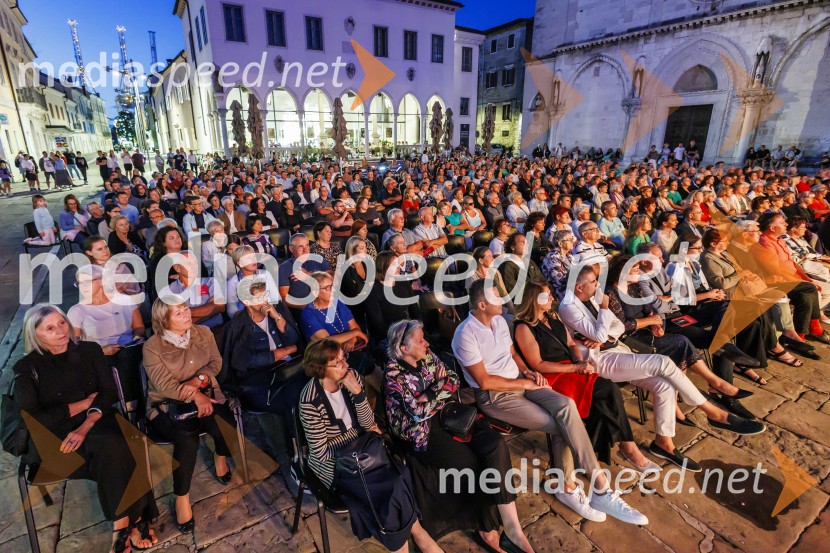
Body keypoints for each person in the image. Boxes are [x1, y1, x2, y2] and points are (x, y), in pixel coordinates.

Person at [452, 280, 649, 525]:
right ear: (482, 305)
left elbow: (512, 354)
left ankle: (582, 487)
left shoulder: (501, 321)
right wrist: (525, 384)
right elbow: (483, 381)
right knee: (562, 425)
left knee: (567, 406)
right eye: (496, 298)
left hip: (522, 381)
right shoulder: (465, 334)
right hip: (496, 396)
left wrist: (527, 372)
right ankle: (593, 487)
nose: (503, 301)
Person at [558, 265, 766, 471]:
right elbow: (602, 334)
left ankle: (663, 443)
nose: (597, 285)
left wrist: (601, 333)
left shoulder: (592, 298)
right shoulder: (568, 306)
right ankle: (713, 412)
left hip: (618, 351)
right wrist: (603, 318)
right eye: (594, 282)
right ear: (578, 287)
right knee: (664, 361)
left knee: (664, 385)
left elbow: (618, 327)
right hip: (598, 361)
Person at [14, 304, 158, 552]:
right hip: (56, 435)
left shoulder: (89, 350)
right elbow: (33, 418)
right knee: (118, 447)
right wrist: (82, 403)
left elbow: (108, 392)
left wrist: (88, 420)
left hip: (97, 418)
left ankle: (121, 528)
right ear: (35, 334)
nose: (61, 330)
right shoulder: (27, 368)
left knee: (127, 441)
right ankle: (135, 521)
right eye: (50, 328)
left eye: (61, 323)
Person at [384, 320, 535, 553]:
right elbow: (416, 413)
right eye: (420, 340)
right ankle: (486, 527)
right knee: (472, 465)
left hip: (452, 416)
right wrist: (438, 392)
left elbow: (453, 380)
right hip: (422, 432)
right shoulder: (393, 376)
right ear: (403, 348)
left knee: (495, 444)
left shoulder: (428, 356)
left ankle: (514, 529)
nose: (426, 342)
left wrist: (429, 394)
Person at [299, 339, 443, 553]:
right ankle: (412, 538)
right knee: (388, 487)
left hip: (367, 452)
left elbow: (367, 422)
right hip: (338, 466)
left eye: (343, 358)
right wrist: (357, 434)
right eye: (337, 362)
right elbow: (321, 452)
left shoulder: (353, 379)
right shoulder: (309, 402)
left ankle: (415, 535)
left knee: (398, 475)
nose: (344, 364)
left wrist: (358, 394)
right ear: (320, 369)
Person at [513, 281, 660, 471]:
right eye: (546, 295)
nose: (551, 298)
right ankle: (627, 449)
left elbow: (571, 344)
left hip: (572, 369)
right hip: (553, 376)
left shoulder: (552, 316)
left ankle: (594, 456)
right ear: (533, 299)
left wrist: (579, 362)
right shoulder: (523, 327)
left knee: (602, 400)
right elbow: (537, 364)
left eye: (550, 294)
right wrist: (575, 368)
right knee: (608, 389)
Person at [607, 255, 758, 420]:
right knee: (682, 342)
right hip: (631, 340)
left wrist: (655, 325)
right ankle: (716, 382)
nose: (638, 272)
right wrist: (651, 319)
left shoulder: (635, 289)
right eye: (634, 269)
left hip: (651, 331)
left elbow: (650, 309)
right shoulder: (611, 293)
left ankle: (715, 378)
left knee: (690, 340)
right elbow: (621, 326)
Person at [142, 299, 236, 535]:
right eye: (178, 312)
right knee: (188, 438)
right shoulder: (153, 346)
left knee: (226, 423)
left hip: (205, 393)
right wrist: (195, 395)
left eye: (186, 309)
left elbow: (216, 362)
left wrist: (200, 381)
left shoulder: (203, 332)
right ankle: (182, 495)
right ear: (164, 320)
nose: (186, 314)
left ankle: (220, 455)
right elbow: (164, 385)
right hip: (167, 404)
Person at [220, 279, 303, 482]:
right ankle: (297, 458)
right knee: (292, 402)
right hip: (256, 381)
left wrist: (278, 317)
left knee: (310, 391)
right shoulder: (239, 326)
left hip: (287, 371)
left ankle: (311, 449)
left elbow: (295, 339)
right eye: (259, 298)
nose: (265, 301)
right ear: (247, 302)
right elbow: (245, 361)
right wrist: (281, 353)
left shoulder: (276, 312)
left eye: (265, 295)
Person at [300, 271, 369, 351]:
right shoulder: (308, 314)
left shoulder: (338, 303)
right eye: (328, 287)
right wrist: (355, 333)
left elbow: (354, 326)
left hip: (351, 348)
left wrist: (352, 339)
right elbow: (327, 341)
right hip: (329, 357)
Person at [498, 232, 545, 312]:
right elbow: (514, 291)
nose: (526, 245)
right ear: (513, 247)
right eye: (522, 242)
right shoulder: (507, 266)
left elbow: (542, 280)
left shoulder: (530, 262)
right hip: (525, 305)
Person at [466, 246, 515, 320]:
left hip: (499, 308)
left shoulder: (495, 272)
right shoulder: (471, 277)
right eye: (489, 256)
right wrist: (506, 310)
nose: (493, 259)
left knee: (517, 317)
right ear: (481, 260)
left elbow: (504, 292)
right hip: (482, 312)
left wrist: (512, 308)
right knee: (511, 321)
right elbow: (480, 302)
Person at [541, 229, 576, 301]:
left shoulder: (568, 256)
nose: (573, 241)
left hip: (573, 288)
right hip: (560, 294)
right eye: (570, 239)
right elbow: (560, 281)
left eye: (572, 239)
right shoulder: (552, 258)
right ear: (560, 244)